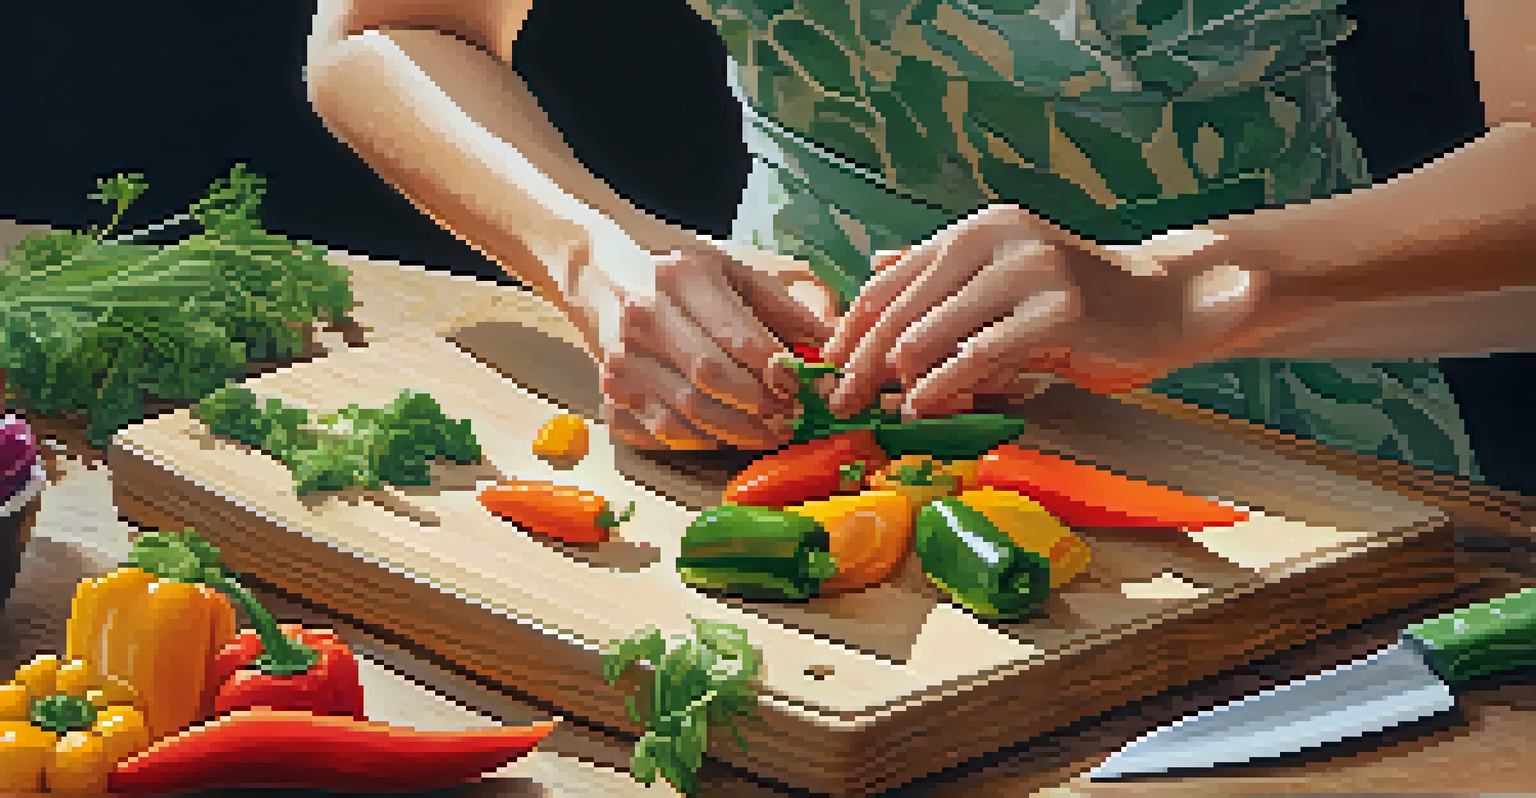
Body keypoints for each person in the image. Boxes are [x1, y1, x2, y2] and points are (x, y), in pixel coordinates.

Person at [305, 0, 1536, 479]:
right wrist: (601, 257)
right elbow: (388, 32)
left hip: (1276, 440)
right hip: (789, 416)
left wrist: (1182, 286)